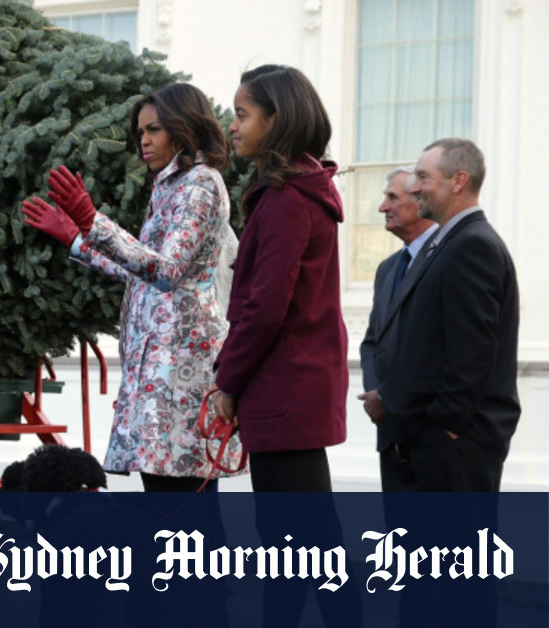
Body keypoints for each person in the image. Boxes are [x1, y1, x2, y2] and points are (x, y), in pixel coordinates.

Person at [22, 82, 245, 492]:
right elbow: (141, 273)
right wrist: (77, 238)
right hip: (159, 369)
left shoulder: (199, 183)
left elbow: (167, 270)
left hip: (179, 370)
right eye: (140, 131)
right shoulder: (171, 185)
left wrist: (93, 223)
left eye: (154, 129)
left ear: (183, 127)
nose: (143, 139)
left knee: (182, 510)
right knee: (167, 505)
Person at [209, 64, 347, 492]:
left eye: (242, 114)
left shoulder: (286, 199)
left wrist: (228, 381)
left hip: (285, 385)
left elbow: (265, 307)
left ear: (276, 120)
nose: (231, 126)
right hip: (293, 383)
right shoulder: (295, 191)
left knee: (295, 537)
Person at [369, 138, 519, 492]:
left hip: (453, 447)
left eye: (423, 176)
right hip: (429, 442)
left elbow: (473, 353)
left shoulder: (473, 245)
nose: (414, 187)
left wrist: (446, 427)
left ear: (458, 181)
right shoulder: (448, 245)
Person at [357, 166, 437, 491]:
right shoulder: (387, 269)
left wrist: (389, 399)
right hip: (390, 437)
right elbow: (372, 344)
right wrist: (379, 400)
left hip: (431, 437)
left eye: (392, 197)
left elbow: (434, 346)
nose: (382, 207)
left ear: (420, 201)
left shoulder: (449, 258)